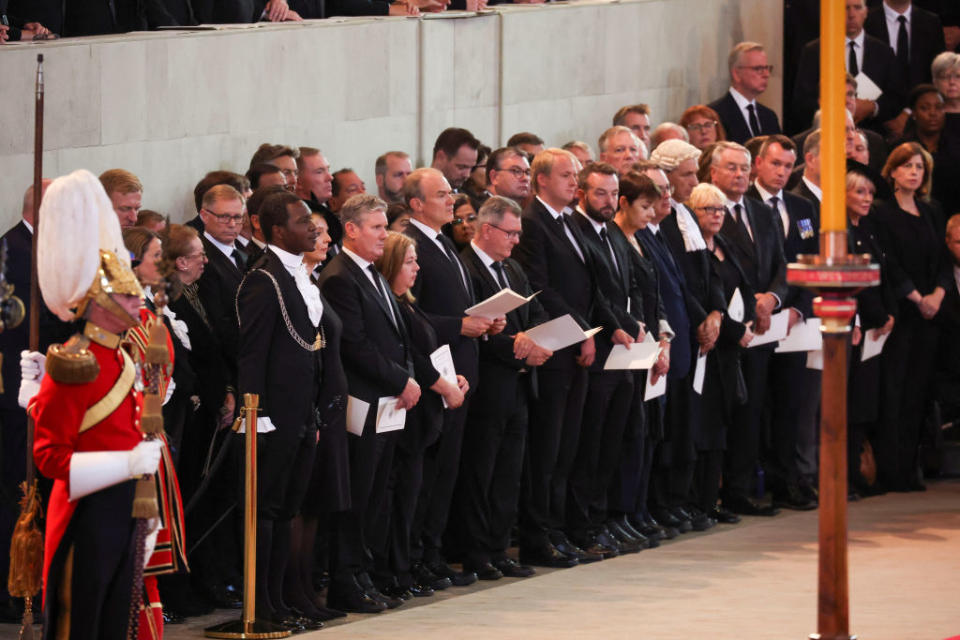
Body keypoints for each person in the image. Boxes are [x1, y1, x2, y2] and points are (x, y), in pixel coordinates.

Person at [20, 169, 163, 640]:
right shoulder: (75, 363)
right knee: (80, 615)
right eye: (125, 294)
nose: (137, 300)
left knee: (115, 616)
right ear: (100, 303)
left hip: (125, 504)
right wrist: (126, 463)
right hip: (88, 509)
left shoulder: (119, 354)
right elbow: (50, 456)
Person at [512, 148, 620, 567]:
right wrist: (580, 331)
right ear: (541, 180)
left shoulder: (568, 221)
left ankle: (559, 531)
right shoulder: (532, 222)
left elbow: (590, 284)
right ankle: (539, 537)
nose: (574, 182)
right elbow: (541, 287)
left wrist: (602, 326)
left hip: (578, 345)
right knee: (547, 448)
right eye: (566, 175)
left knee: (567, 448)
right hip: (555, 348)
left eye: (576, 175)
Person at [317, 194, 421, 613]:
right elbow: (355, 346)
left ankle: (364, 573)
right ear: (352, 229)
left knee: (377, 493)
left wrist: (407, 375)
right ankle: (346, 579)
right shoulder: (340, 276)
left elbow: (397, 335)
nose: (386, 234)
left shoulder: (372, 272)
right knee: (356, 495)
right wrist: (402, 379)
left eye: (386, 226)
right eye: (378, 227)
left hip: (388, 402)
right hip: (363, 403)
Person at [236, 190, 327, 631]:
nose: (312, 227)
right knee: (268, 509)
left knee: (289, 507)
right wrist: (258, 413)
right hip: (273, 415)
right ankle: (262, 604)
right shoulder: (263, 279)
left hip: (302, 412)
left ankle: (281, 598)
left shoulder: (299, 274)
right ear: (277, 231)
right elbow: (251, 354)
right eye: (302, 221)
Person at [403, 167, 494, 587]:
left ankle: (433, 551)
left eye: (451, 192)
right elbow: (410, 317)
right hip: (433, 372)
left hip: (461, 370)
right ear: (417, 203)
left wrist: (482, 322)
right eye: (441, 194)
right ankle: (417, 556)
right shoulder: (411, 245)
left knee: (448, 474)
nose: (451, 200)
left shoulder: (444, 242)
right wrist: (460, 325)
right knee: (430, 472)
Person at [454, 196, 550, 579]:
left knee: (509, 471)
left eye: (518, 234)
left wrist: (532, 335)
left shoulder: (511, 267)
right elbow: (473, 329)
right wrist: (516, 347)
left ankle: (498, 546)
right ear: (487, 230)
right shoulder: (467, 267)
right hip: (489, 384)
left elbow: (535, 311)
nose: (514, 241)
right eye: (509, 233)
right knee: (482, 471)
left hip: (519, 386)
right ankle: (476, 551)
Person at [374, 231, 467, 596]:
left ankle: (407, 564)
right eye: (410, 261)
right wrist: (444, 386)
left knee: (417, 495)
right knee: (401, 498)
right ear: (392, 265)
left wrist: (452, 377)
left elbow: (431, 353)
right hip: (410, 414)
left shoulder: (409, 304)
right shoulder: (394, 308)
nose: (417, 268)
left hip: (427, 415)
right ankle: (396, 569)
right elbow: (414, 358)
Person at [567, 163, 648, 555]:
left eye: (613, 194)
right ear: (581, 192)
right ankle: (582, 526)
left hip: (624, 348)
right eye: (599, 193)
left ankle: (602, 521)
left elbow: (627, 285)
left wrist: (638, 323)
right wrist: (617, 325)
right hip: (596, 350)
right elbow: (594, 294)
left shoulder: (613, 231)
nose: (608, 201)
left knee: (616, 437)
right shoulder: (576, 232)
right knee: (591, 441)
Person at [710, 141, 787, 516]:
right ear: (714, 173)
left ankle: (740, 488)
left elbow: (782, 265)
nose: (739, 175)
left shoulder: (761, 211)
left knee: (753, 410)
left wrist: (772, 297)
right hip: (725, 327)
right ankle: (713, 492)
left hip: (761, 328)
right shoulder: (706, 214)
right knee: (723, 412)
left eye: (743, 168)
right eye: (731, 168)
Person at [746, 135, 820, 509]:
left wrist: (799, 309)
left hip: (794, 321)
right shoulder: (746, 204)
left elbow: (811, 264)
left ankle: (790, 479)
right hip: (757, 318)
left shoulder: (802, 207)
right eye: (774, 164)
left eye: (788, 166)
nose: (780, 172)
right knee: (759, 403)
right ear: (758, 164)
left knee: (793, 402)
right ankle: (759, 479)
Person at [873, 142, 947, 492]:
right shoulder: (882, 213)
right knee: (896, 392)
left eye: (920, 167)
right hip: (901, 314)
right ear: (892, 172)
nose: (914, 172)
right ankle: (892, 469)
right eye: (907, 166)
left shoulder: (931, 212)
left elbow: (945, 260)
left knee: (919, 392)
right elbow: (889, 262)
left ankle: (913, 466)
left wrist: (937, 295)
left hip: (930, 316)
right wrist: (917, 298)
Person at [607, 171, 676, 538]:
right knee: (630, 432)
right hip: (632, 348)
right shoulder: (615, 239)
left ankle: (637, 508)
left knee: (649, 430)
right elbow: (623, 300)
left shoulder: (642, 240)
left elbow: (656, 295)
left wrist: (664, 338)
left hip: (651, 345)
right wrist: (648, 342)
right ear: (624, 204)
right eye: (645, 206)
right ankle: (620, 511)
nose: (652, 213)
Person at [688, 182, 755, 522]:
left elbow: (743, 286)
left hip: (730, 350)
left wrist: (747, 325)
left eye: (720, 210)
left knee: (721, 427)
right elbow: (702, 297)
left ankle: (713, 499)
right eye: (707, 209)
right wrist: (734, 330)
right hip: (709, 345)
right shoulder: (693, 249)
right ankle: (698, 502)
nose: (716, 215)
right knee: (704, 426)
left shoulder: (725, 244)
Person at [844, 161, 897, 497]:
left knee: (864, 405)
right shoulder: (842, 233)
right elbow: (850, 285)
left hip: (876, 330)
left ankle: (859, 474)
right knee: (848, 404)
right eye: (859, 192)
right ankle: (846, 476)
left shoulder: (868, 229)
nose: (867, 199)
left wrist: (888, 313)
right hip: (854, 328)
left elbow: (881, 274)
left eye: (870, 193)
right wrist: (863, 319)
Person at [793, 0, 905, 135]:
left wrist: (872, 107)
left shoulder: (883, 52)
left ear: (866, 12)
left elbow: (896, 98)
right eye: (845, 8)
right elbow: (802, 101)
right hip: (828, 135)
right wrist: (837, 109)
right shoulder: (815, 51)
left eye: (857, 8)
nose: (851, 14)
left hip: (871, 135)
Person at [708, 42, 781, 144]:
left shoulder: (769, 116)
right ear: (736, 74)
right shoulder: (715, 114)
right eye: (758, 69)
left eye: (767, 68)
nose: (766, 74)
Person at [431, 127, 481, 192]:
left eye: (471, 168)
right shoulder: (417, 194)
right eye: (462, 167)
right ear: (441, 157)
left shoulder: (471, 198)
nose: (467, 175)